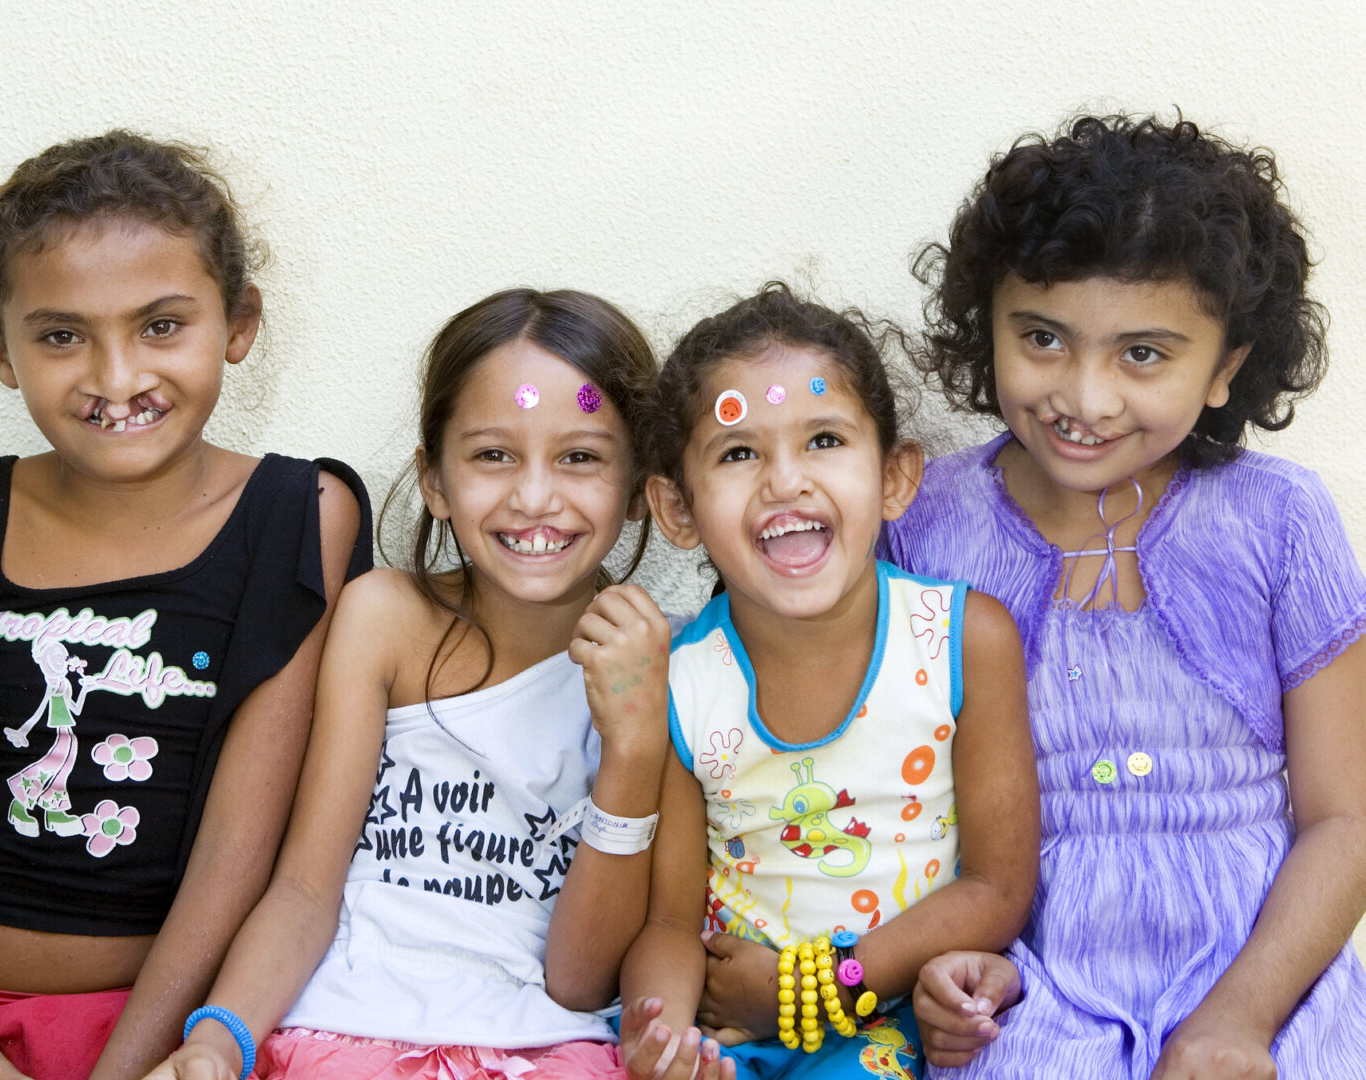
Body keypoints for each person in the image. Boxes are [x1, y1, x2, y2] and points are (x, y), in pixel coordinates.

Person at [890, 114, 1366, 1079]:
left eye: (1143, 354)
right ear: (989, 324)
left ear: (1227, 367)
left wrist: (1236, 1020)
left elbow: (1343, 819)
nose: (1086, 397)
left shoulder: (1279, 520)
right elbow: (890, 800)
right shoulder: (921, 524)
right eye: (1043, 338)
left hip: (1267, 973)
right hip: (1024, 980)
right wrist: (937, 969)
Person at [144, 288, 716, 1080]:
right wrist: (218, 1038)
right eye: (493, 455)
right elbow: (306, 890)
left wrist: (633, 744)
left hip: (547, 1049)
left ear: (637, 486)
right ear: (435, 481)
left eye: (579, 456)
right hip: (339, 1029)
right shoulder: (383, 619)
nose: (535, 497)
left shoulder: (665, 661)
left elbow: (581, 980)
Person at [0, 131, 371, 1080]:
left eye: (161, 325)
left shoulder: (301, 520)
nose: (116, 377)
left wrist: (130, 1068)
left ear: (238, 323)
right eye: (60, 335)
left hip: (174, 1037)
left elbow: (238, 853)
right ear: (0, 351)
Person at [620, 283, 1039, 1080]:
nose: (786, 481)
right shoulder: (681, 681)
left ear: (894, 477)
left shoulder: (961, 642)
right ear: (677, 508)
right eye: (739, 453)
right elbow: (671, 922)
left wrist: (815, 990)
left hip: (899, 1021)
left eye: (824, 440)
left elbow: (996, 886)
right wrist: (665, 1039)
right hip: (735, 1032)